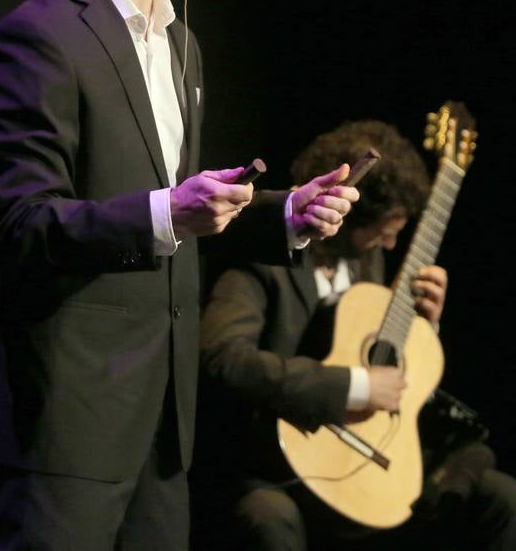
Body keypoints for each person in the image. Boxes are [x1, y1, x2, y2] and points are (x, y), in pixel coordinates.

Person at [0, 0, 360, 551]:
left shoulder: (182, 45)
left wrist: (284, 214)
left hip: (164, 422)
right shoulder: (40, 36)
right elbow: (23, 223)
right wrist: (167, 213)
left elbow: (184, 203)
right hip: (72, 420)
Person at [197, 119, 516, 551]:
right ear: (348, 216)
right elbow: (224, 358)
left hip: (358, 453)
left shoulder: (365, 263)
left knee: (499, 495)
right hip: (272, 459)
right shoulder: (260, 259)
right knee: (269, 520)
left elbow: (366, 346)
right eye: (385, 231)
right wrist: (357, 386)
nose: (389, 245)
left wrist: (422, 326)